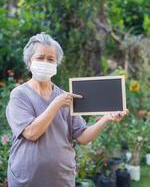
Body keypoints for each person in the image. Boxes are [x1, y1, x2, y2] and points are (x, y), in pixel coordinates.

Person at [6, 32, 129, 187]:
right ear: (29, 62)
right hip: (27, 179)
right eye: (40, 57)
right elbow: (31, 133)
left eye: (51, 59)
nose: (45, 62)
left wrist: (106, 118)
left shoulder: (64, 96)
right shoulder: (20, 95)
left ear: (56, 64)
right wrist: (56, 104)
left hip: (61, 178)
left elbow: (82, 136)